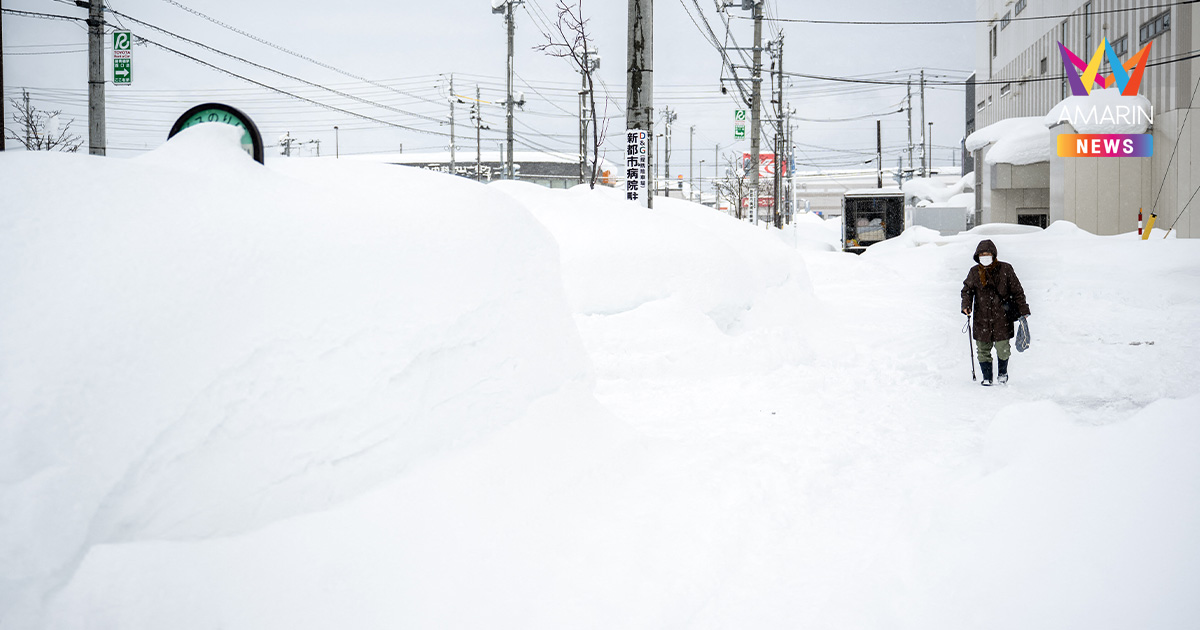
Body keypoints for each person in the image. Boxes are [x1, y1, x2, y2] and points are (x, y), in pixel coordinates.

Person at [961, 239, 1031, 386]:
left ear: (993, 254)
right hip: (982, 318)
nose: (984, 257)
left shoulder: (1005, 269)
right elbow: (967, 290)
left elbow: (1017, 291)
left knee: (1003, 348)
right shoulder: (974, 272)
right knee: (982, 349)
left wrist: (1023, 310)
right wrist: (966, 305)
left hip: (1002, 317)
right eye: (981, 254)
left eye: (987, 254)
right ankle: (987, 377)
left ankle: (1002, 374)